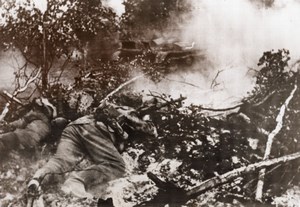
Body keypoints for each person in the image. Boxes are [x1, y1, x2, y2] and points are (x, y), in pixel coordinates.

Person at [27, 100, 157, 199]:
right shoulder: (129, 111)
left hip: (74, 127)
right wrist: (149, 126)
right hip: (94, 128)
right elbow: (146, 128)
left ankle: (37, 178)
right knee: (116, 165)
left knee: (61, 161)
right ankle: (75, 181)